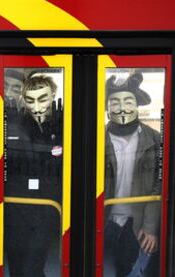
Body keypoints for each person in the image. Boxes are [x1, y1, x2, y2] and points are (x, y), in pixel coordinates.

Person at [4, 73, 63, 276]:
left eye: (43, 99)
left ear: (53, 95)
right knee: (17, 266)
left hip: (47, 207)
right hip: (16, 205)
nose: (36, 107)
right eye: (30, 100)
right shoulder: (12, 124)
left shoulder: (65, 124)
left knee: (33, 266)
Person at [104, 72, 161, 277]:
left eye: (128, 101)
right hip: (102, 219)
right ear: (107, 108)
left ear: (137, 105)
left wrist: (151, 226)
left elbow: (159, 183)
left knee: (127, 269)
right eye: (115, 102)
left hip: (136, 221)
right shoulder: (93, 137)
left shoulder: (155, 139)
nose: (121, 108)